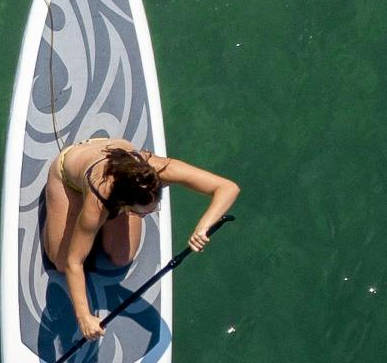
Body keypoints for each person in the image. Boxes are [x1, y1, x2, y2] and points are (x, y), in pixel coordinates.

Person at [42, 139, 241, 343]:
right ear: (123, 202)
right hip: (70, 178)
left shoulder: (157, 170)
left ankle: (103, 227)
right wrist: (84, 317)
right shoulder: (98, 202)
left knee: (122, 257)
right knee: (60, 262)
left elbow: (227, 188)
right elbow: (74, 262)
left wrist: (203, 226)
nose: (147, 215)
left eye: (152, 209)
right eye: (141, 212)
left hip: (119, 177)